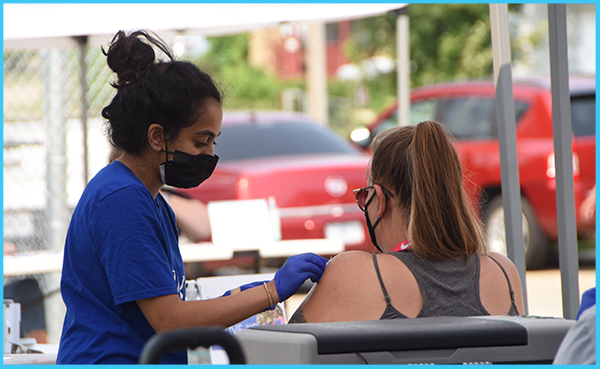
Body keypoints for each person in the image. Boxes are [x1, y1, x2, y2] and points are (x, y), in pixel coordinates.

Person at [56, 30, 328, 364]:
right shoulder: (121, 200)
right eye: (201, 142)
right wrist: (271, 291)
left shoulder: (153, 201)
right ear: (158, 136)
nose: (210, 154)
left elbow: (171, 307)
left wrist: (244, 296)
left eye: (213, 141)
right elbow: (170, 320)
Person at [289, 121, 525, 323]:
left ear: (380, 200)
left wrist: (270, 294)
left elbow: (282, 354)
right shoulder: (504, 273)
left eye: (365, 196)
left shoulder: (352, 273)